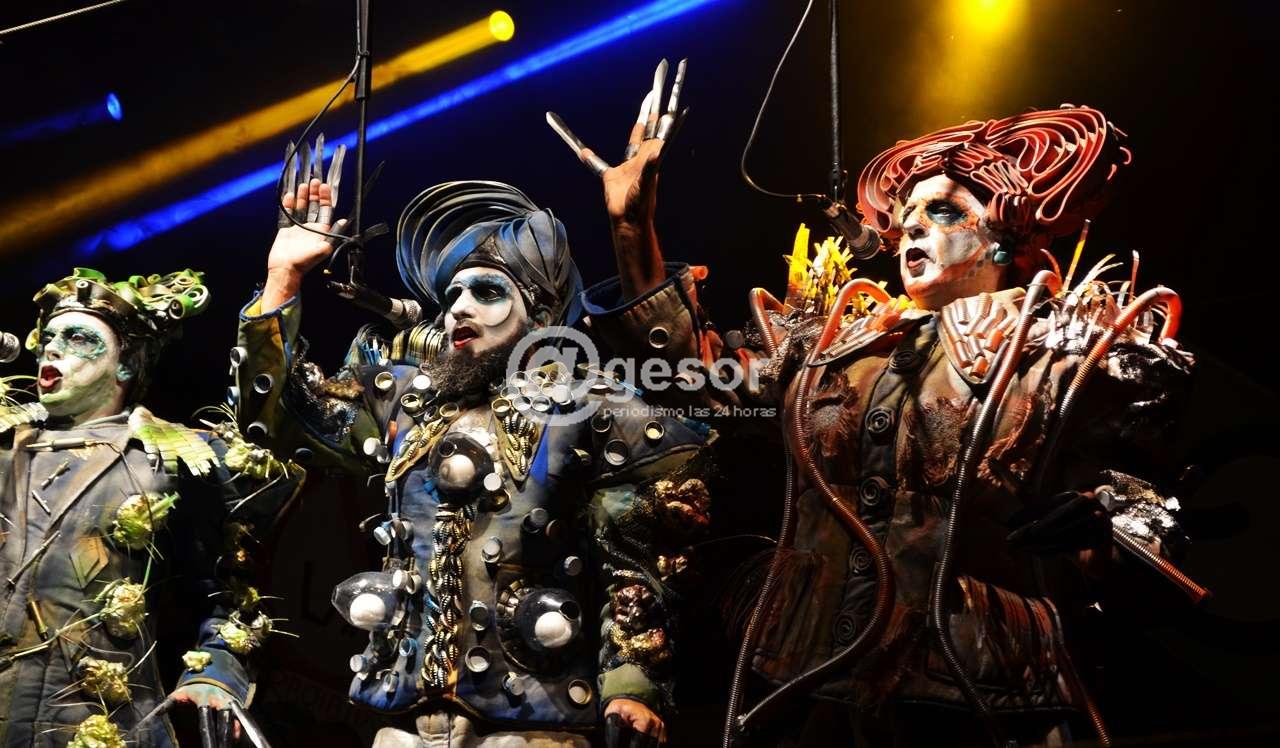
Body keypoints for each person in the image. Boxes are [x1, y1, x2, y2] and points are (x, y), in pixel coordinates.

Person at [563, 105, 1198, 745]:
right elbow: (697, 378)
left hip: (981, 699)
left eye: (943, 211)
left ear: (1002, 236)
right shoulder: (835, 349)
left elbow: (1144, 515)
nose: (913, 225)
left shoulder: (1061, 357)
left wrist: (1100, 524)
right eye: (907, 214)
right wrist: (631, 228)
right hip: (812, 688)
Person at [233, 109, 712, 746]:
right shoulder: (406, 401)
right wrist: (284, 276)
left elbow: (638, 556)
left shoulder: (581, 405)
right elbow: (280, 419)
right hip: (403, 721)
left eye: (486, 291)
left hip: (534, 723)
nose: (458, 307)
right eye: (452, 295)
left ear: (538, 312)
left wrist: (632, 684)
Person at [0, 269, 302, 747]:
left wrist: (215, 671)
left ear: (125, 365)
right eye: (49, 338)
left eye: (77, 338)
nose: (51, 350)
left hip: (93, 723)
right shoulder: (5, 446)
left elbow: (227, 592)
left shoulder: (171, 456)